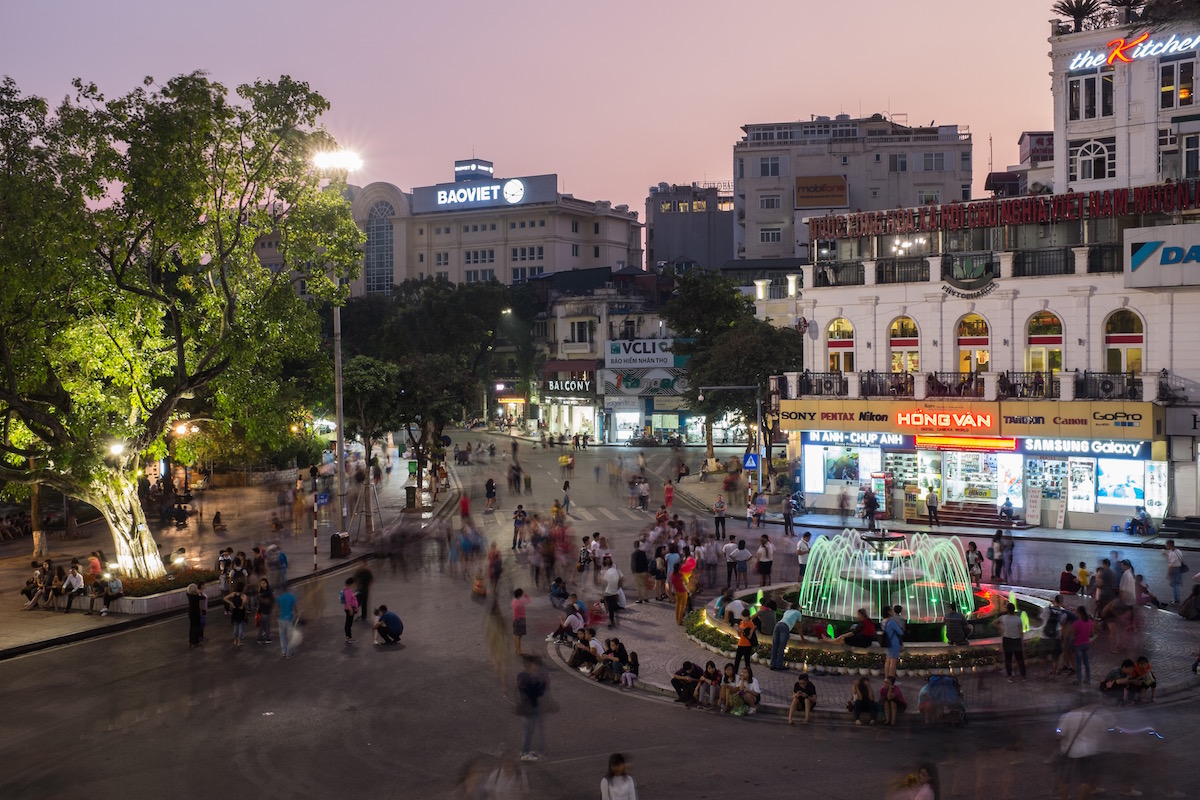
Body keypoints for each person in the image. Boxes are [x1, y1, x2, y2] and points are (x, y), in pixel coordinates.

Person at [516, 656, 548, 763]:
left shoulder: (525, 676)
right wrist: (542, 684)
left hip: (530, 707)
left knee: (530, 730)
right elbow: (533, 693)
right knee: (528, 731)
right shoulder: (525, 677)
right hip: (528, 708)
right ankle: (524, 753)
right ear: (530, 665)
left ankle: (526, 751)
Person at [994, 602, 1026, 681]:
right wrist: (1022, 642)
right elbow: (1021, 632)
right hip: (1016, 640)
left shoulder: (1003, 618)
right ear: (1014, 610)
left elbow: (993, 623)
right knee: (1020, 659)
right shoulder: (1018, 619)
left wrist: (1001, 628)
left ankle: (1010, 676)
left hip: (1007, 640)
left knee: (1008, 659)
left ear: (1007, 610)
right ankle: (1023, 676)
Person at [771, 604, 803, 670]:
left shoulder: (787, 611)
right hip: (785, 627)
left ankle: (772, 665)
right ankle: (779, 665)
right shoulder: (798, 613)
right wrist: (802, 638)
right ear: (797, 608)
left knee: (775, 646)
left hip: (778, 625)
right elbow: (799, 627)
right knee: (781, 647)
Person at [1073, 606, 1095, 685]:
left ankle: (1079, 681)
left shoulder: (1076, 623)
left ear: (1079, 613)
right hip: (1086, 644)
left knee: (1079, 663)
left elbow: (1073, 633)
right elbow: (1092, 633)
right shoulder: (1090, 622)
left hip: (1078, 644)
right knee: (1086, 663)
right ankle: (1088, 679)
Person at [883, 605, 905, 679]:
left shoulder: (883, 621)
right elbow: (900, 632)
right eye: (891, 610)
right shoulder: (891, 622)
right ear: (888, 612)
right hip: (894, 642)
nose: (893, 612)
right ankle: (891, 680)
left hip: (887, 642)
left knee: (888, 660)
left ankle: (886, 678)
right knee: (893, 662)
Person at [277, 584, 298, 657]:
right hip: (289, 619)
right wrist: (296, 616)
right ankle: (289, 653)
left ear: (282, 590)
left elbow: (278, 609)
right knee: (290, 637)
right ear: (288, 589)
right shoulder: (292, 597)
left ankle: (284, 652)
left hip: (281, 619)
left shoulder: (280, 598)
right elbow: (295, 609)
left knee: (282, 636)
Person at [601, 557, 623, 628]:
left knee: (610, 606)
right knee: (612, 606)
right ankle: (614, 619)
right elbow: (621, 578)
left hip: (608, 591)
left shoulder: (606, 572)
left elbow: (603, 581)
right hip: (614, 591)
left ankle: (611, 620)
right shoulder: (616, 570)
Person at [733, 609, 757, 674]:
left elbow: (749, 636)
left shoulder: (751, 624)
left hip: (747, 645)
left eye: (743, 617)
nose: (742, 618)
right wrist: (738, 630)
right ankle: (735, 674)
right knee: (737, 661)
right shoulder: (741, 623)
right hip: (740, 643)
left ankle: (749, 675)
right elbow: (739, 635)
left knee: (747, 662)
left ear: (747, 617)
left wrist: (743, 630)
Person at [1164, 539, 1186, 605]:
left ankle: (1177, 600)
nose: (1166, 546)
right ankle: (1176, 599)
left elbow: (1171, 564)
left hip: (1174, 570)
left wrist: (1168, 573)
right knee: (1176, 585)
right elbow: (1173, 559)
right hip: (1178, 569)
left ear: (1170, 545)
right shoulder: (1178, 551)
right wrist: (1165, 554)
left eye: (1167, 544)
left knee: (1175, 586)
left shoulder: (1172, 553)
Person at [255, 578, 274, 644]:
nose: (263, 585)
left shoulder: (266, 592)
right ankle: (267, 638)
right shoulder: (263, 591)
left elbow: (270, 601)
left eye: (264, 583)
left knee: (263, 626)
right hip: (263, 611)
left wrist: (260, 598)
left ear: (267, 584)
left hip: (265, 610)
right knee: (265, 625)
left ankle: (260, 638)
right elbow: (268, 601)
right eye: (262, 583)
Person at [340, 577, 359, 643]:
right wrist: (351, 610)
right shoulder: (347, 591)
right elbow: (348, 602)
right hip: (349, 609)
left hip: (350, 609)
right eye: (354, 583)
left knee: (349, 623)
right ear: (351, 583)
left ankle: (348, 637)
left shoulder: (348, 590)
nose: (354, 584)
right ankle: (349, 638)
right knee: (348, 624)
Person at [186, 583, 204, 647]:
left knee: (192, 627)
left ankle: (191, 641)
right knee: (196, 627)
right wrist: (199, 592)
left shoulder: (189, 595)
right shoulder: (196, 597)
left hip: (191, 613)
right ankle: (195, 642)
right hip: (195, 613)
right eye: (196, 588)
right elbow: (203, 597)